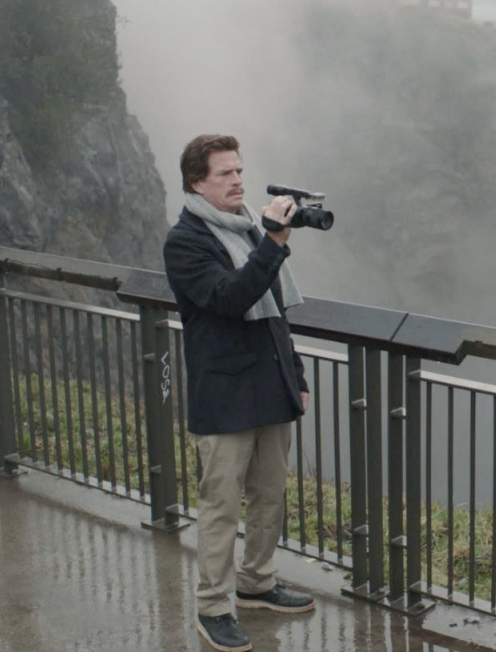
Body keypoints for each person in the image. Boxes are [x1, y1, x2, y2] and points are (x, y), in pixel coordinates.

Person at [163, 134, 316, 652]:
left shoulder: (250, 228)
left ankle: (257, 584)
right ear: (196, 182)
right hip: (225, 392)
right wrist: (274, 242)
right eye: (224, 173)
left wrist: (296, 374)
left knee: (270, 494)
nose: (237, 181)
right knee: (221, 504)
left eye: (239, 171)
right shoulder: (185, 241)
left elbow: (275, 314)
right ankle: (213, 607)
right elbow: (230, 298)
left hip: (269, 383)